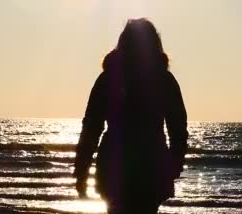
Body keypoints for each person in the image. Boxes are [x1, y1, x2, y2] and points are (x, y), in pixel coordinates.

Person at [74, 18, 188, 214]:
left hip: (115, 169)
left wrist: (81, 171)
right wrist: (172, 167)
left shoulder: (108, 78)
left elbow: (91, 128)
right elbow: (178, 130)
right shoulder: (164, 80)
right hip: (149, 169)